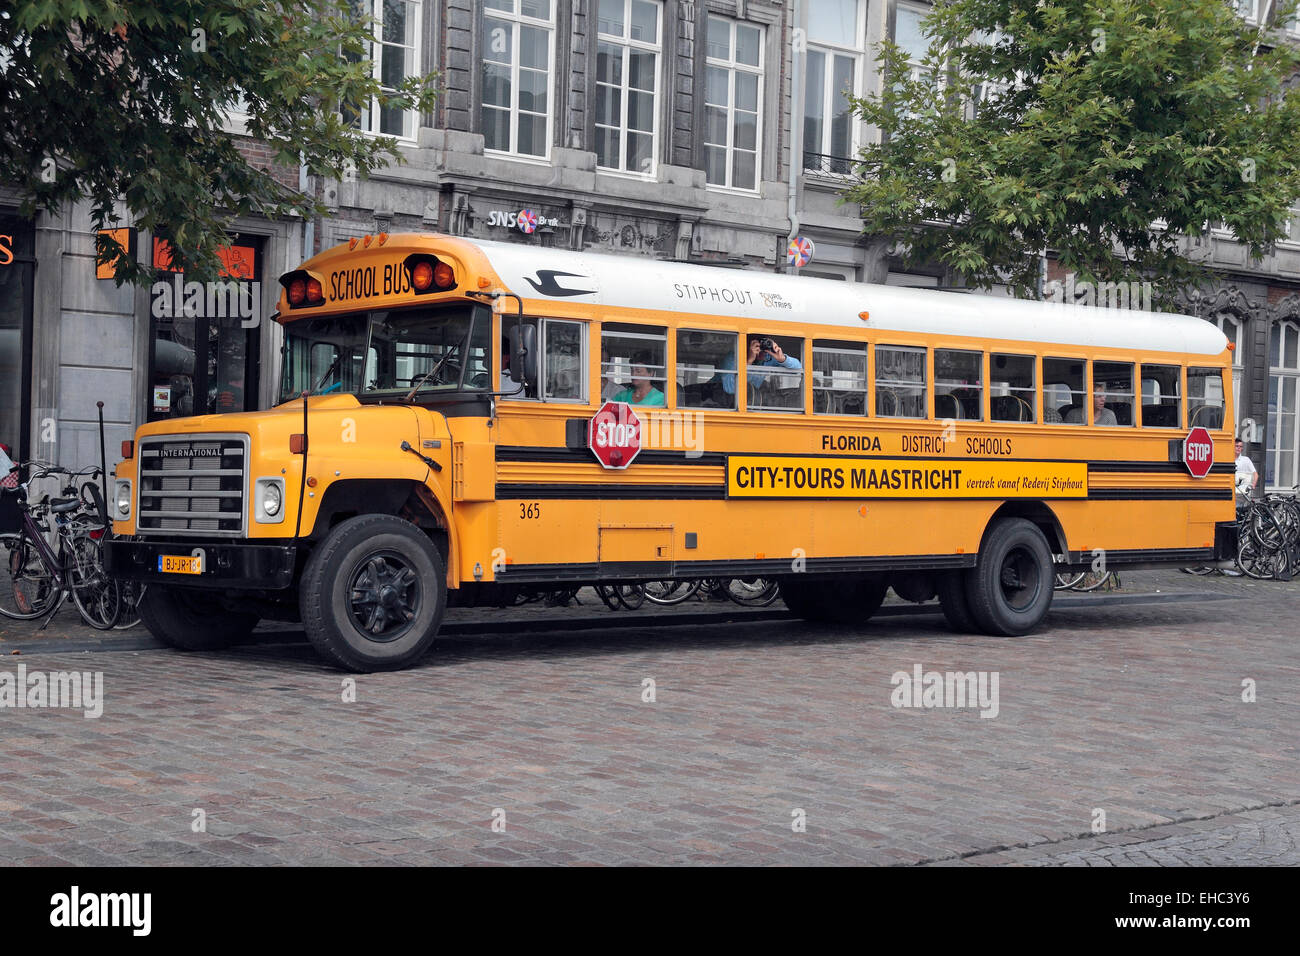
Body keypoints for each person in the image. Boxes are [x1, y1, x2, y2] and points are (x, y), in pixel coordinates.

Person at [717, 336, 802, 395]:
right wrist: (749, 362)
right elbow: (730, 389)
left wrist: (782, 358)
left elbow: (798, 369)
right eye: (759, 345)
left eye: (765, 345)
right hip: (720, 399)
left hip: (750, 399)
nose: (763, 351)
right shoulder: (734, 357)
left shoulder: (769, 357)